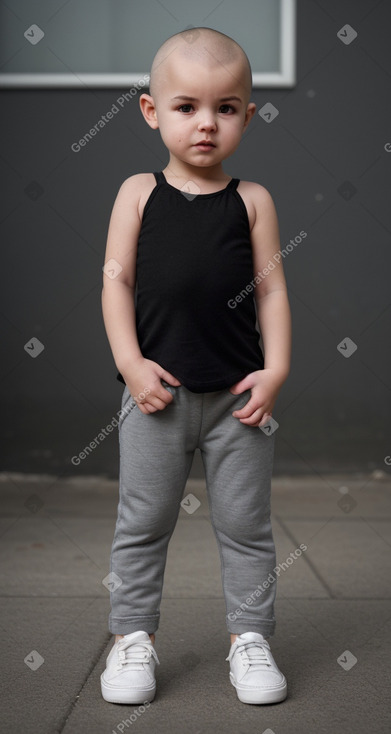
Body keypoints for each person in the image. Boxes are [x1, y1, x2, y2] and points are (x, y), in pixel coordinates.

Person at [100, 26, 291, 706]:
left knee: (245, 527)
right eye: (186, 107)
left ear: (247, 113)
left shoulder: (253, 201)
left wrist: (274, 373)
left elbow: (269, 290)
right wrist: (130, 365)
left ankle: (249, 638)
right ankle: (130, 639)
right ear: (152, 111)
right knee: (142, 523)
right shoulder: (136, 193)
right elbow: (115, 282)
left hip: (239, 401)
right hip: (157, 394)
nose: (206, 124)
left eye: (226, 107)